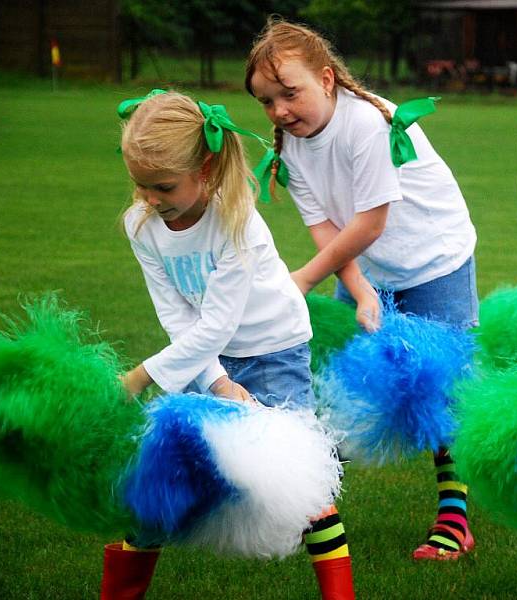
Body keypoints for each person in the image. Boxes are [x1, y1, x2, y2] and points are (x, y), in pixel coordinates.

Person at [102, 89, 355, 600]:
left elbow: (216, 324)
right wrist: (217, 382)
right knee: (162, 472)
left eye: (164, 186)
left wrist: (138, 378)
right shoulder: (141, 225)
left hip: (274, 350)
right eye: (140, 185)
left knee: (301, 481)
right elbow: (177, 316)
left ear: (207, 168)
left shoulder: (237, 224)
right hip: (202, 355)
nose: (150, 199)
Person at [245, 19, 478, 561]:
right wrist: (360, 288)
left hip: (435, 261)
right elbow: (328, 227)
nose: (279, 110)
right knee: (332, 379)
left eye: (290, 93)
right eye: (266, 101)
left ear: (327, 79)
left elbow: (371, 221)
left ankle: (455, 517)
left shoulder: (366, 124)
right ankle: (310, 504)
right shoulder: (293, 142)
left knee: (443, 387)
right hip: (367, 262)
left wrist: (304, 278)